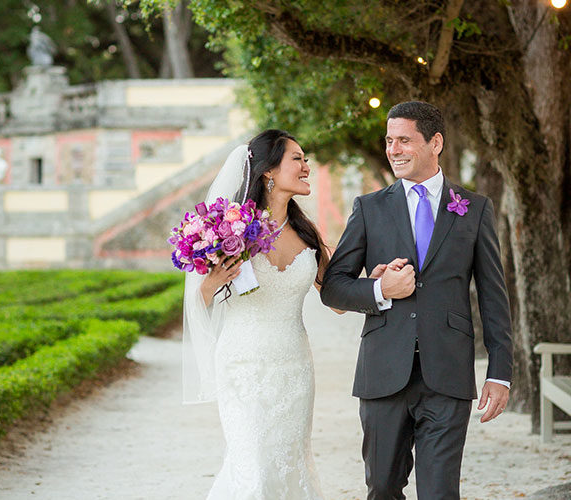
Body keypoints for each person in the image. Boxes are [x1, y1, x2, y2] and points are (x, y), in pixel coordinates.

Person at [320, 101, 513, 500]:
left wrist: (500, 372)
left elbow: (494, 296)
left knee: (441, 493)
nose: (394, 149)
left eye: (404, 140)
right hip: (383, 373)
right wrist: (379, 291)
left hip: (448, 374)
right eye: (390, 141)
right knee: (383, 487)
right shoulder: (369, 208)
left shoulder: (474, 209)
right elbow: (333, 287)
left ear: (435, 142)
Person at [184, 129, 383, 499]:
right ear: (268, 171)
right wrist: (212, 281)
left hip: (294, 368)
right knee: (252, 463)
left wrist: (376, 283)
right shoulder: (229, 229)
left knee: (288, 462)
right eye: (298, 159)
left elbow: (337, 299)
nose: (307, 166)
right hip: (242, 366)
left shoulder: (308, 234)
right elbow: (198, 302)